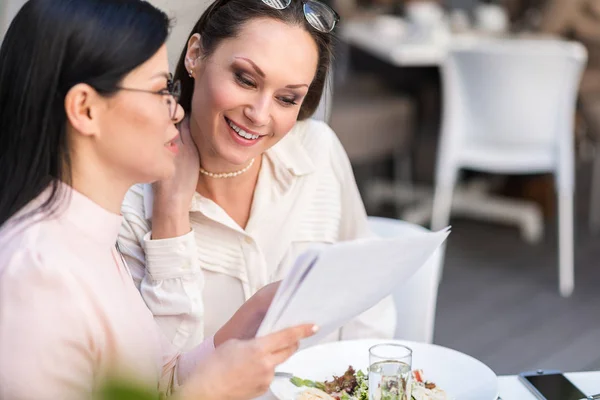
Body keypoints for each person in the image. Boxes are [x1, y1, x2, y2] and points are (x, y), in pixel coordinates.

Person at [0, 1, 316, 399]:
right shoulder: (35, 274)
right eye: (160, 90)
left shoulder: (88, 239)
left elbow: (153, 383)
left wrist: (257, 311)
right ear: (85, 109)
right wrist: (209, 392)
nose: (176, 110)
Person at [118, 0, 397, 352]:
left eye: (287, 98)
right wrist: (170, 217)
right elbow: (159, 372)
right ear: (195, 55)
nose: (259, 115)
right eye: (245, 79)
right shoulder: (131, 197)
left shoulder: (318, 151)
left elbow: (366, 287)